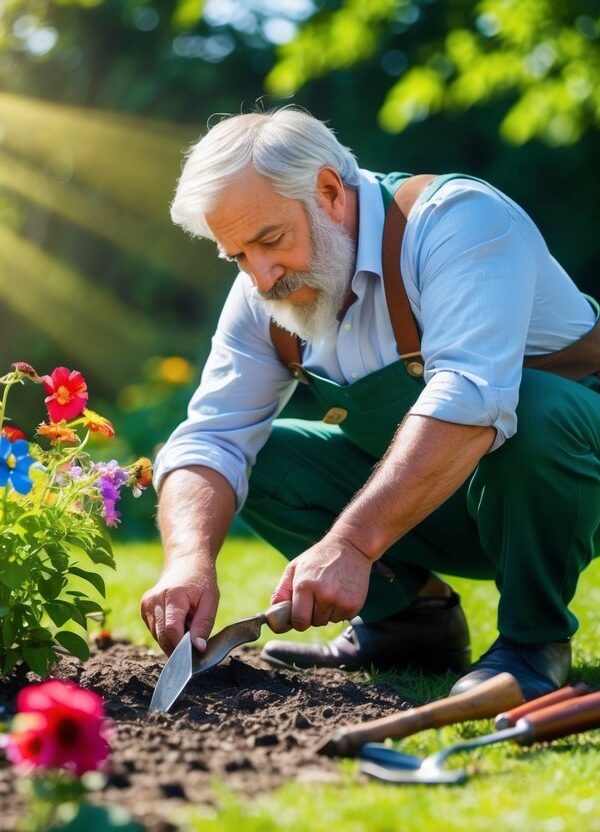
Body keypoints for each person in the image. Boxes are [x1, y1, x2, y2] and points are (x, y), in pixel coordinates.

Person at [141, 108, 600, 701]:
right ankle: (411, 623)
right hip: (447, 499)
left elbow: (471, 394)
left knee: (531, 408)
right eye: (237, 256)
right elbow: (211, 437)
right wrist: (188, 560)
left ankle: (534, 640)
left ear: (330, 190)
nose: (260, 277)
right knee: (264, 459)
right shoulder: (266, 288)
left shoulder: (457, 220)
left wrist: (351, 544)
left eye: (271, 241)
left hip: (574, 484)